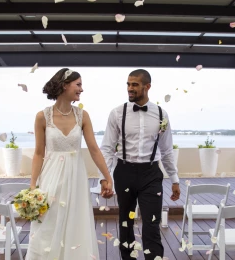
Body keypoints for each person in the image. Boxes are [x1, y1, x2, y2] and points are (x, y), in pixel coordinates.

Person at [26, 68, 113, 260]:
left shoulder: (83, 116)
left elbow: (94, 149)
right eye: (78, 84)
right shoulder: (43, 116)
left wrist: (107, 177)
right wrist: (33, 186)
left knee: (75, 222)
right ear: (65, 85)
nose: (81, 89)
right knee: (47, 222)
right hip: (51, 176)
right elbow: (39, 153)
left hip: (75, 177)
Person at [99, 69, 181, 260]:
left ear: (147, 86)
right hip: (124, 171)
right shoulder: (117, 113)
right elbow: (107, 148)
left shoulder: (161, 114)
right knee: (125, 221)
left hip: (151, 173)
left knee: (152, 223)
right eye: (128, 84)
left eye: (134, 84)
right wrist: (105, 177)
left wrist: (175, 180)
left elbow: (167, 150)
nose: (130, 88)